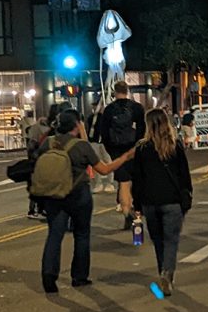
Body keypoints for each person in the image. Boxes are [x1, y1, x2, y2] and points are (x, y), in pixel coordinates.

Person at [37, 109, 134, 293]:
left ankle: (49, 275)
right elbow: (104, 170)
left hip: (53, 195)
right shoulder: (82, 146)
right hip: (78, 194)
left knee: (54, 235)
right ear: (76, 125)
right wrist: (125, 157)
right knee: (81, 235)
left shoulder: (48, 143)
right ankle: (79, 277)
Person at [131, 108, 193, 297]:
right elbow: (184, 176)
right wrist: (187, 197)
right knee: (171, 241)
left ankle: (162, 273)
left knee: (158, 241)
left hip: (150, 202)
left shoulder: (142, 148)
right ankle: (167, 273)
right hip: (172, 201)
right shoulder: (175, 145)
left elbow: (138, 179)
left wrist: (137, 205)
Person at [99, 81, 145, 230]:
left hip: (117, 151)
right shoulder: (137, 108)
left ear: (114, 92)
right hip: (133, 149)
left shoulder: (109, 110)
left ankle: (126, 212)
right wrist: (138, 147)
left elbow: (104, 133)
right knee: (137, 182)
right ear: (127, 91)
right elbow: (142, 130)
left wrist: (111, 150)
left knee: (123, 183)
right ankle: (136, 212)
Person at [86, 99, 117, 195]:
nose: (95, 107)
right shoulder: (91, 118)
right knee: (96, 162)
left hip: (105, 142)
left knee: (108, 161)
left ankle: (109, 183)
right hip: (94, 142)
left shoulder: (106, 117)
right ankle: (98, 183)